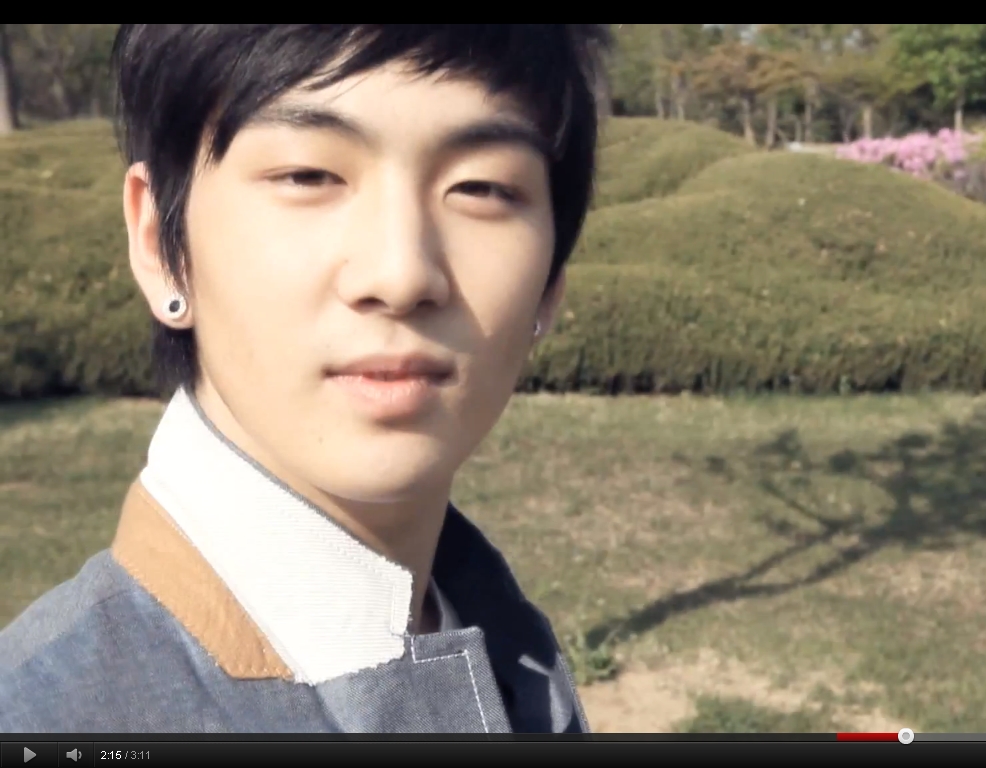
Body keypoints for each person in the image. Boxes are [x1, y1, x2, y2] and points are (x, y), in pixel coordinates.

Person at [0, 24, 611, 733]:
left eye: (482, 187)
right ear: (160, 242)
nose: (401, 275)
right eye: (307, 176)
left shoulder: (508, 649)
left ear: (551, 283)